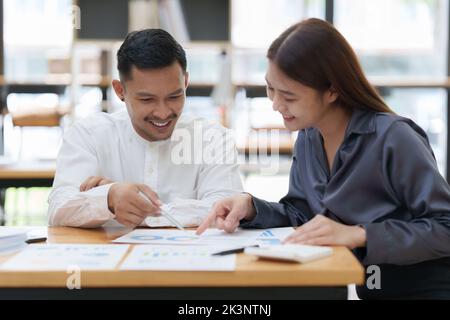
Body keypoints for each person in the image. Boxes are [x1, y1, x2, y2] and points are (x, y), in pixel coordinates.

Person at [196, 18, 450, 299]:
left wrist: (359, 234)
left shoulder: (393, 138)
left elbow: (444, 227)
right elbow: (301, 214)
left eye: (289, 96)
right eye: (270, 89)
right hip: (371, 289)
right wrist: (251, 207)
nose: (276, 105)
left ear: (332, 90)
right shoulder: (308, 136)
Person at [48, 29, 243, 228]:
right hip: (112, 259)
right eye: (147, 99)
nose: (162, 112)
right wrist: (109, 198)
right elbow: (59, 210)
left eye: (174, 96)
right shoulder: (88, 135)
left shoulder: (213, 139)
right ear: (120, 90)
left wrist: (109, 203)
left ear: (185, 82)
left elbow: (225, 210)